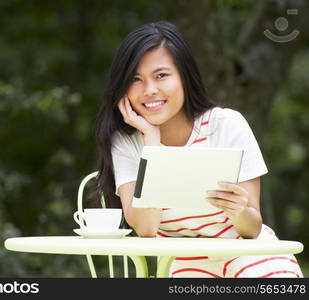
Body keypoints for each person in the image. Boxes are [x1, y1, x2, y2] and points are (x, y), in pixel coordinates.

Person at [95, 21, 303, 278]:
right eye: (135, 79)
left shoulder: (226, 125)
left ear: (184, 76)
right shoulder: (127, 141)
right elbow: (147, 228)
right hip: (183, 263)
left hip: (247, 252)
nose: (150, 90)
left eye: (161, 76)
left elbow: (252, 228)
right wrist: (152, 143)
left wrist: (238, 209)